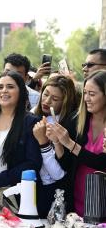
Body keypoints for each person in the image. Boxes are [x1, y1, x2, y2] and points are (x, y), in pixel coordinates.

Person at [0, 71, 42, 218]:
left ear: (21, 91)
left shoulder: (30, 121)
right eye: (0, 87)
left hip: (15, 192)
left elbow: (33, 163)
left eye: (10, 87)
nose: (4, 91)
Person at [46, 70, 106, 216]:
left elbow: (102, 163)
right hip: (77, 201)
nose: (86, 98)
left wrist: (70, 144)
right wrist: (58, 142)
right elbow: (67, 164)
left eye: (92, 94)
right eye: (85, 93)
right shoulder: (76, 120)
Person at [31, 75, 78, 217]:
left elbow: (58, 174)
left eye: (55, 99)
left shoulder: (67, 125)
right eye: (45, 94)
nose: (47, 101)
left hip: (54, 194)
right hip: (30, 187)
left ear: (65, 102)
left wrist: (44, 143)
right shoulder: (32, 115)